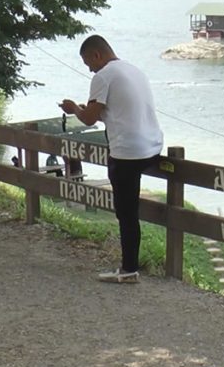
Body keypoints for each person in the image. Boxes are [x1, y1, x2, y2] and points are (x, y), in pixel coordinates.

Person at [60, 35, 163, 283]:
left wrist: (74, 108)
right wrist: (94, 110)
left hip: (127, 152)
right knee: (130, 211)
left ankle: (129, 270)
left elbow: (88, 119)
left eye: (88, 63)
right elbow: (119, 111)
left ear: (97, 55)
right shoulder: (133, 70)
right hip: (153, 146)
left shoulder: (103, 76)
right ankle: (130, 266)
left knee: (126, 214)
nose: (89, 68)